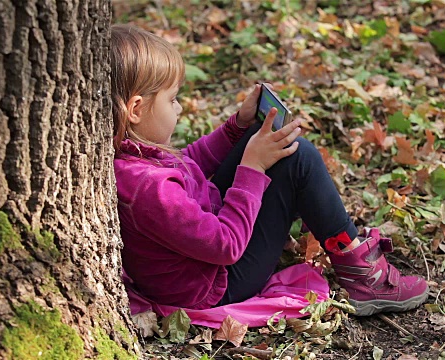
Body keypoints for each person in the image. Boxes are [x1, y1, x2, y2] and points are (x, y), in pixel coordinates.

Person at [111, 23, 428, 316]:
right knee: (297, 157)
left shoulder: (134, 159)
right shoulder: (149, 189)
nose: (179, 107)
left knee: (264, 139)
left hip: (205, 255)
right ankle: (364, 276)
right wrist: (252, 167)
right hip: (216, 285)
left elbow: (190, 163)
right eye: (173, 99)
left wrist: (238, 126)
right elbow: (226, 246)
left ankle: (345, 247)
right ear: (137, 109)